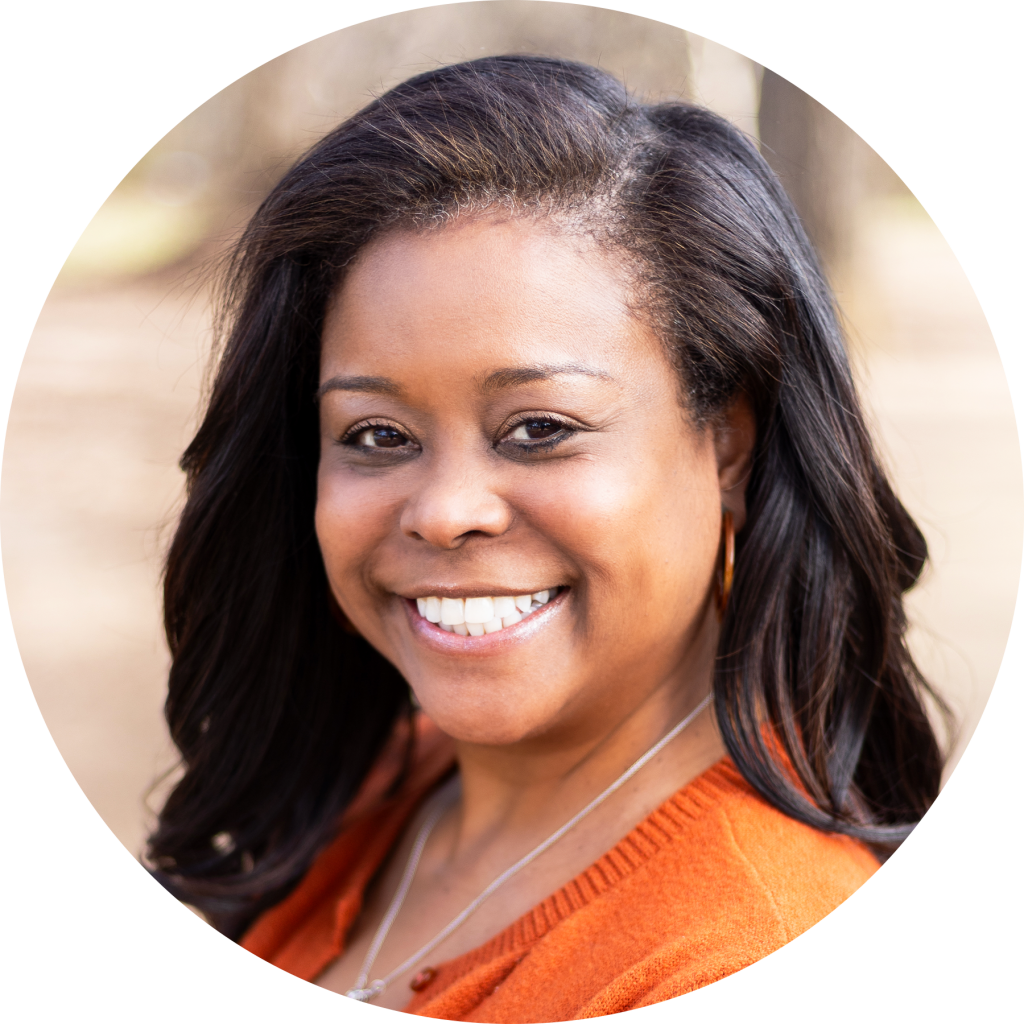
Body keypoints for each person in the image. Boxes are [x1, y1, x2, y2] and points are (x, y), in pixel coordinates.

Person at [146, 56, 997, 1022]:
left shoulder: (758, 978)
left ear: (728, 445)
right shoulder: (373, 782)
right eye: (377, 436)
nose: (445, 511)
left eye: (539, 429)